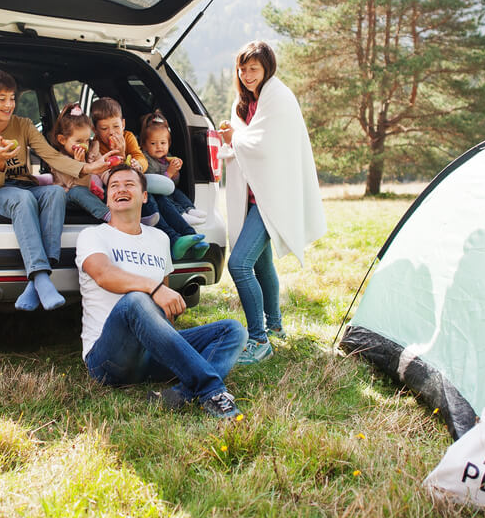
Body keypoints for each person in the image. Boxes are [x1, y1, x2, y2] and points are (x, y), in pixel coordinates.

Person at [76, 164, 247, 419]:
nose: (121, 189)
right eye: (114, 186)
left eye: (129, 184)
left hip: (151, 355)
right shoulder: (92, 236)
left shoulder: (159, 239)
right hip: (108, 359)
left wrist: (160, 300)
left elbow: (164, 303)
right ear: (107, 197)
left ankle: (182, 395)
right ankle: (211, 390)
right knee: (136, 300)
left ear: (145, 197)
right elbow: (103, 275)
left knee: (233, 330)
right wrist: (152, 288)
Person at [0, 69, 116, 311]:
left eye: (12, 98)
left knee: (55, 192)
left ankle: (37, 281)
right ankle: (41, 277)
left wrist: (88, 167)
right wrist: (0, 160)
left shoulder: (23, 125)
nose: (9, 104)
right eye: (1, 99)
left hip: (24, 185)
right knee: (22, 199)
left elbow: (52, 156)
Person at [219, 41, 326, 364]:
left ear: (267, 69)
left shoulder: (277, 97)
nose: (247, 74)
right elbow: (250, 141)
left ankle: (258, 339)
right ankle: (276, 327)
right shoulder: (250, 102)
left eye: (254, 68)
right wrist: (234, 135)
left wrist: (233, 139)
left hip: (271, 197)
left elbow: (264, 146)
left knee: (239, 264)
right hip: (256, 197)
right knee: (262, 264)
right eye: (243, 68)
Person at [89, 97, 208, 260]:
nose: (112, 132)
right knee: (148, 198)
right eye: (104, 128)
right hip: (120, 192)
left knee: (162, 198)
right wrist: (122, 155)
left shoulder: (128, 137)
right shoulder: (95, 146)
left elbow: (141, 158)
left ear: (123, 124)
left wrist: (138, 165)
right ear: (94, 130)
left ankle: (191, 236)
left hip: (136, 184)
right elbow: (109, 177)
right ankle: (174, 241)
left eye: (116, 126)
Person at [140, 110, 207, 226]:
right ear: (144, 145)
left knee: (178, 192)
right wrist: (169, 173)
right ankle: (182, 215)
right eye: (153, 143)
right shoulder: (146, 159)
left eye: (163, 143)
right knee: (166, 199)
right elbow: (153, 183)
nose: (159, 147)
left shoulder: (168, 157)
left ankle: (189, 209)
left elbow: (174, 183)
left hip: (169, 189)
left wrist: (175, 174)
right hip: (157, 192)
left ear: (169, 144)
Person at [49, 104, 111, 222]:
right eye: (79, 141)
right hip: (69, 197)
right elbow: (77, 187)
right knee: (78, 192)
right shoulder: (59, 161)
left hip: (93, 194)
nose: (84, 145)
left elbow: (104, 172)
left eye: (87, 140)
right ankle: (111, 217)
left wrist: (115, 180)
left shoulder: (92, 150)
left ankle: (133, 218)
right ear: (62, 140)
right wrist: (81, 164)